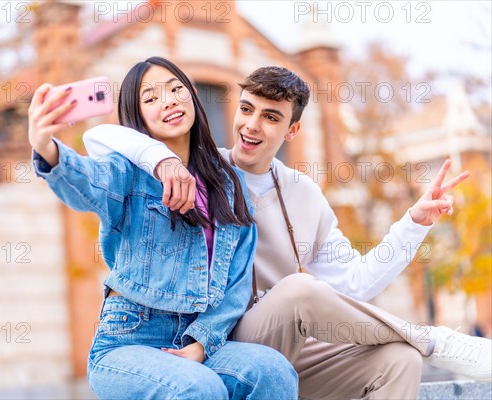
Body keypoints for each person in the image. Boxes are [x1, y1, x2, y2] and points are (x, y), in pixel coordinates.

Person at [84, 65, 492, 399]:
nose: (251, 126)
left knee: (401, 360)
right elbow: (101, 137)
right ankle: (434, 340)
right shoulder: (202, 171)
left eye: (271, 117)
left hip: (286, 350)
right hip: (221, 336)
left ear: (291, 132)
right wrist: (160, 160)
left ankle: (418, 345)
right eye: (246, 109)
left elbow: (353, 284)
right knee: (300, 289)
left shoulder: (303, 192)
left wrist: (413, 224)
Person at [28, 57, 298, 399]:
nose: (167, 101)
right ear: (137, 115)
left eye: (175, 90)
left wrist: (202, 342)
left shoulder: (228, 183)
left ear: (193, 98)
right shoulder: (125, 170)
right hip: (129, 340)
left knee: (273, 372)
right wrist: (46, 148)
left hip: (199, 336)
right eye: (150, 98)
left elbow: (237, 280)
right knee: (200, 388)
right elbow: (86, 181)